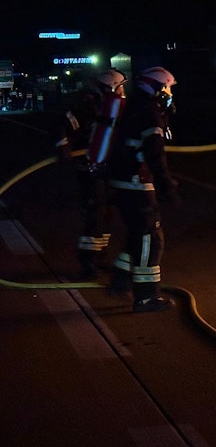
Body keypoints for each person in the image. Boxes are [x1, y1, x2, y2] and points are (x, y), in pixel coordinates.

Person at [105, 67, 180, 312]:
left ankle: (120, 281)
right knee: (151, 238)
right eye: (167, 88)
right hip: (136, 184)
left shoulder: (136, 107)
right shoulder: (149, 113)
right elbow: (155, 154)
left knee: (139, 235)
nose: (169, 93)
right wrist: (167, 186)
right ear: (158, 88)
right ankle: (147, 296)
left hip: (124, 181)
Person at [53, 68, 128, 279]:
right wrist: (64, 148)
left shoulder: (109, 105)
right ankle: (88, 263)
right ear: (110, 86)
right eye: (120, 86)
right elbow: (62, 125)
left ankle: (100, 258)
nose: (123, 90)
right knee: (94, 214)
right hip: (89, 166)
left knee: (106, 214)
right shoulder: (89, 104)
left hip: (104, 166)